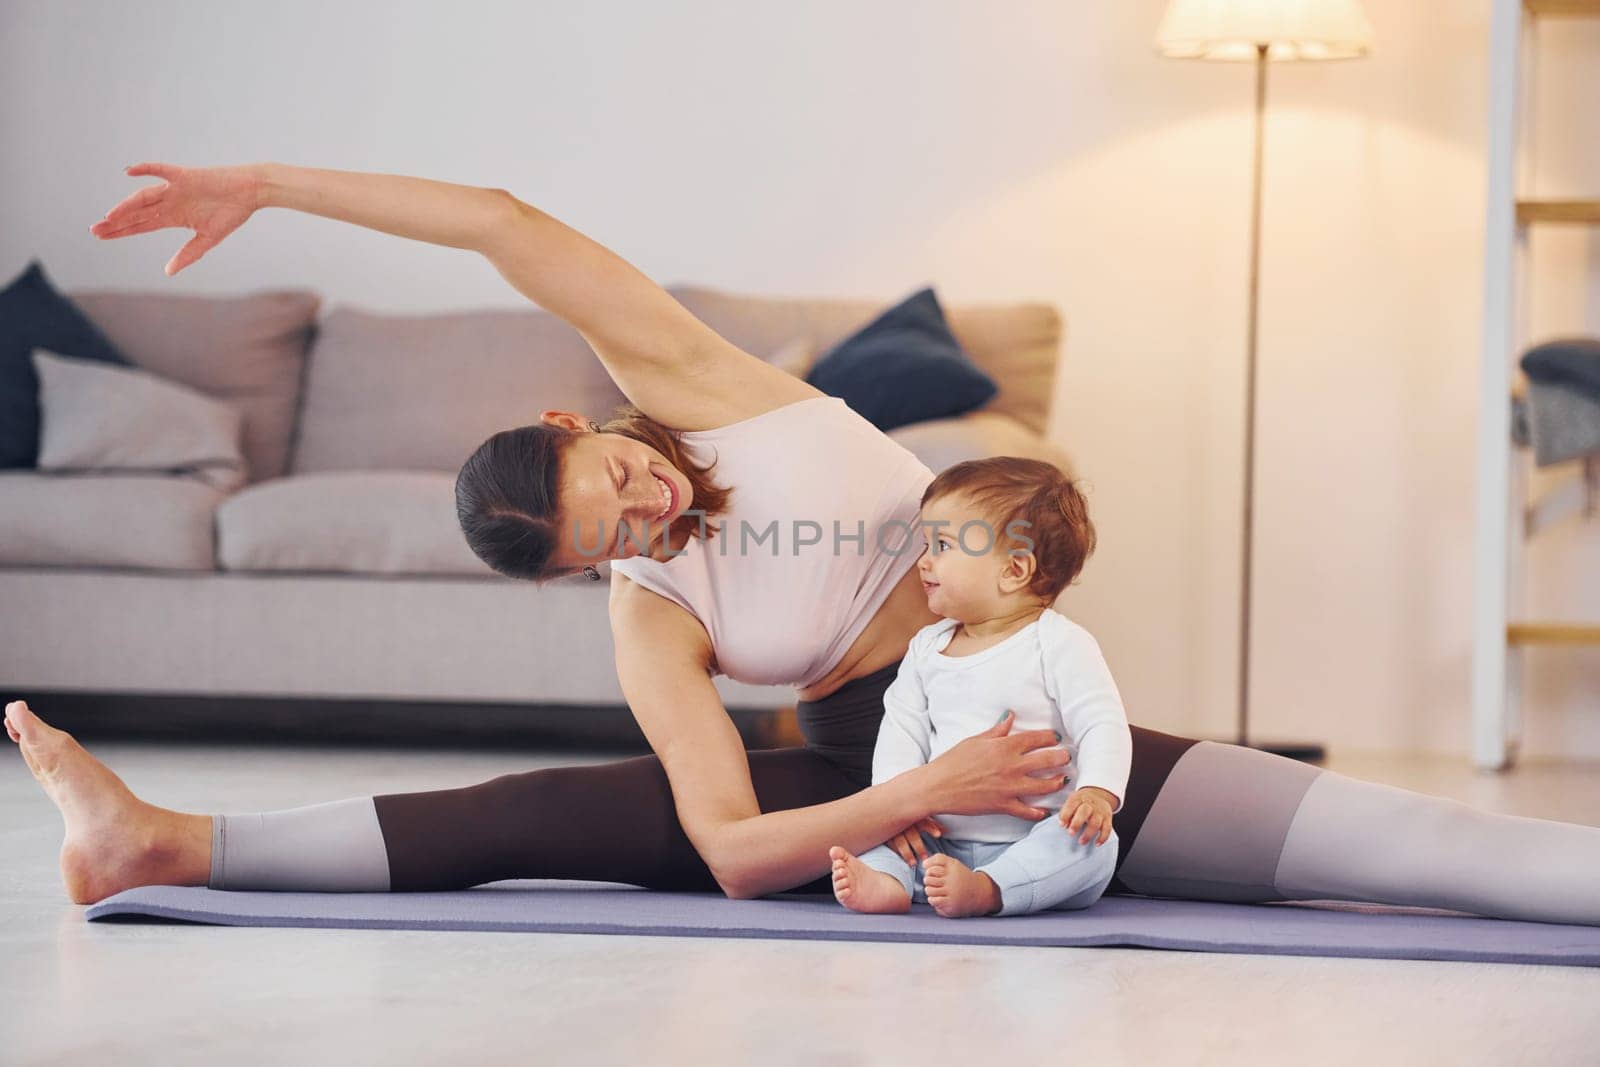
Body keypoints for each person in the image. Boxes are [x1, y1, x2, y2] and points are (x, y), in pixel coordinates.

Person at [6, 160, 1599, 927]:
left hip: (1025, 723)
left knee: (1388, 848)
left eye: (618, 478)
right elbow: (728, 850)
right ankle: (162, 839)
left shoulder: (698, 383)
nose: (644, 509)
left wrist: (272, 187)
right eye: (604, 541)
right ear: (573, 570)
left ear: (585, 427)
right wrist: (917, 796)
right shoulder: (648, 611)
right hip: (869, 767)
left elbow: (502, 223)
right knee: (550, 807)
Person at [830, 458, 1130, 919]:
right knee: (880, 836)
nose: (923, 560)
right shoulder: (927, 648)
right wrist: (894, 807)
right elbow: (901, 732)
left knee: (1092, 846)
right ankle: (889, 881)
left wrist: (1096, 793)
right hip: (938, 838)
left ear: (1013, 571)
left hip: (1034, 835)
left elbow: (1101, 722)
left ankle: (991, 889)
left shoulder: (1058, 643)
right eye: (926, 543)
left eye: (943, 545)